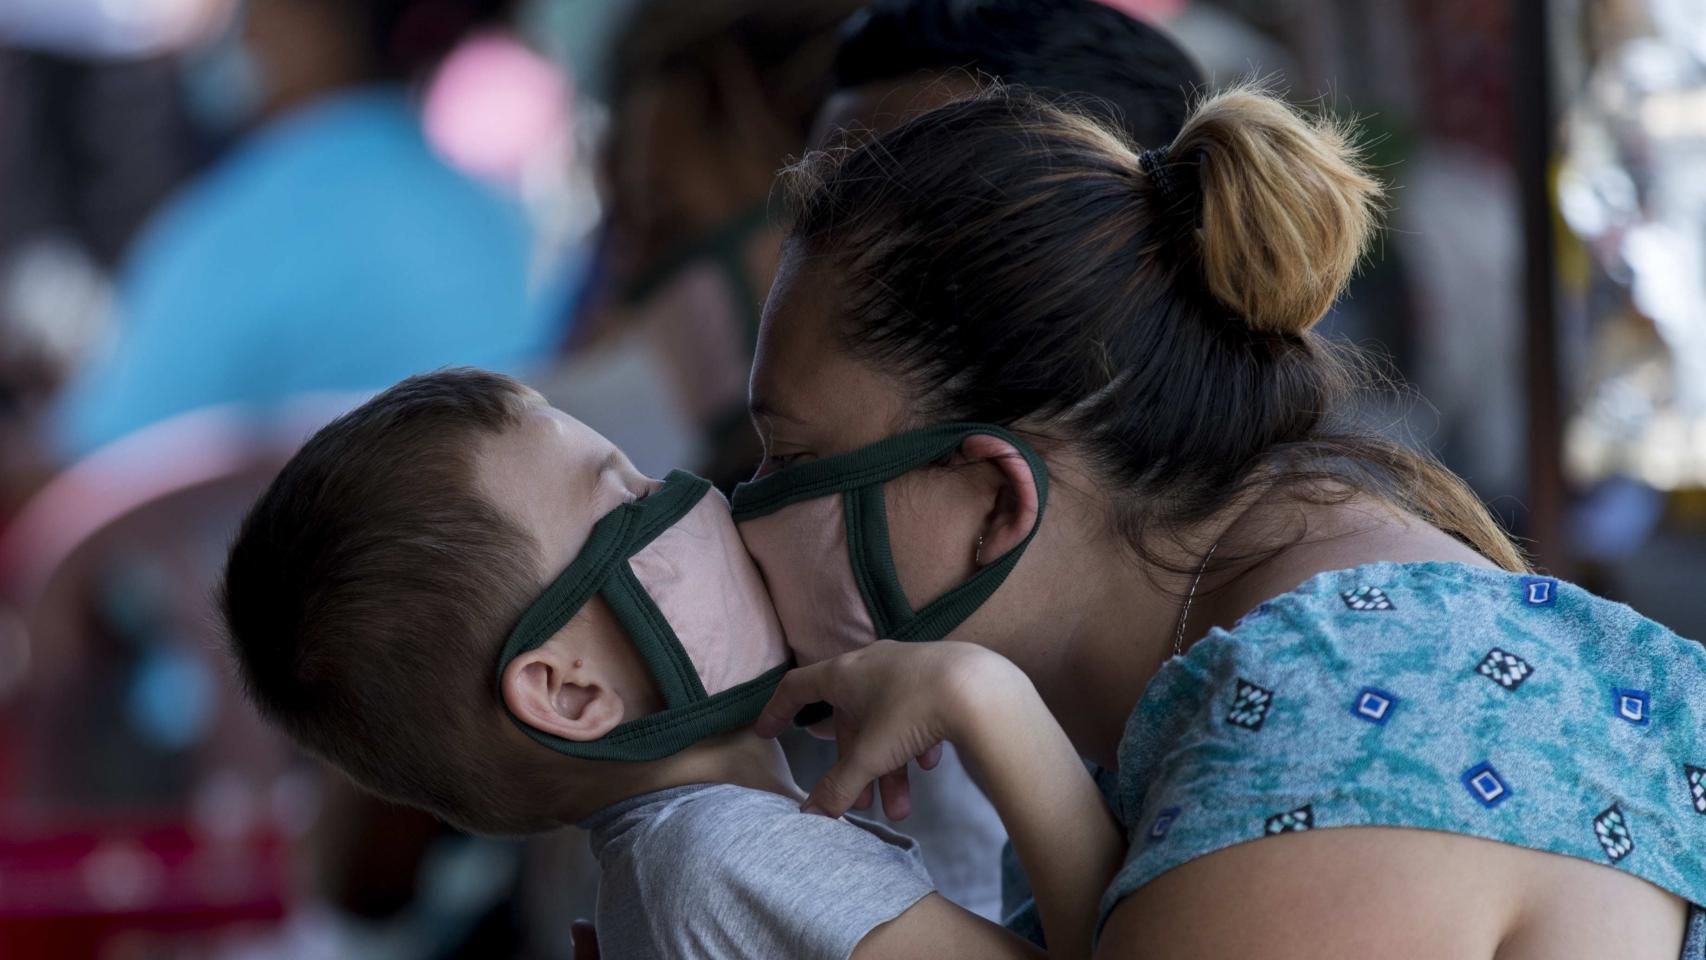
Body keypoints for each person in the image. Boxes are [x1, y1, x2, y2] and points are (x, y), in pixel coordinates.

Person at [731, 86, 1706, 957]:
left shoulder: (1324, 741)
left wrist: (715, 836)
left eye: (791, 459)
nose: (741, 512)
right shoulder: (1330, 607)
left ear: (995, 500)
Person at [217, 367, 1122, 959]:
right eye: (631, 498)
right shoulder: (725, 859)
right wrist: (987, 698)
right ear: (571, 690)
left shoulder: (656, 868)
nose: (696, 497)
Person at [49, 0, 555, 459]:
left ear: (316, 27)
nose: (241, 32)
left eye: (255, 9)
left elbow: (97, 459)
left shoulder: (252, 216)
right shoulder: (493, 214)